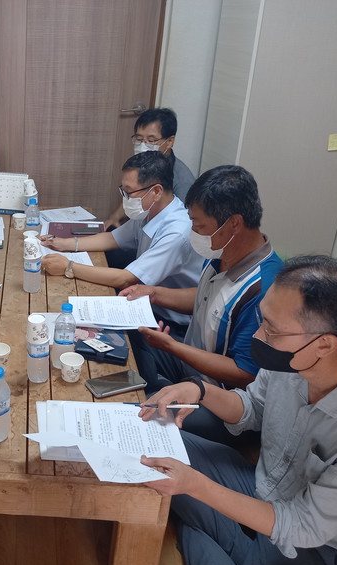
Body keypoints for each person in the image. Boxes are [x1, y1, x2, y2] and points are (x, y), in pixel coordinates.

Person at [139, 255, 337, 565]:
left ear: (324, 344)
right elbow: (252, 407)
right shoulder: (294, 358)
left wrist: (196, 485)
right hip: (261, 487)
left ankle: (207, 532)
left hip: (320, 551)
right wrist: (200, 390)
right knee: (147, 442)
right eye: (263, 320)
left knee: (195, 526)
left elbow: (301, 525)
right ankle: (216, 535)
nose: (259, 336)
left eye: (272, 329)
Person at [119, 165, 282, 445]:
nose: (193, 231)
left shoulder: (264, 289)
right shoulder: (222, 250)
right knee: (127, 333)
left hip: (222, 402)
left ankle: (154, 396)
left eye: (199, 225)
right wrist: (155, 294)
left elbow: (244, 373)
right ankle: (152, 388)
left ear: (233, 223)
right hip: (191, 365)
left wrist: (173, 347)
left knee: (137, 417)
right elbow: (207, 297)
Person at [41, 151, 203, 337]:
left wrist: (68, 267)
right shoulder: (150, 210)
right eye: (123, 190)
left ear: (156, 191)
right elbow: (112, 238)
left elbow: (126, 278)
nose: (125, 198)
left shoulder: (176, 232)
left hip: (167, 322)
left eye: (129, 192)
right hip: (144, 301)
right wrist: (65, 243)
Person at [105, 107, 196, 268]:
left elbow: (182, 230)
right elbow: (134, 192)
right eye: (139, 139)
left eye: (151, 140)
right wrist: (115, 217)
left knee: (113, 258)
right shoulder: (144, 164)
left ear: (170, 141)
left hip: (162, 247)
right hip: (141, 233)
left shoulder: (183, 182)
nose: (143, 145)